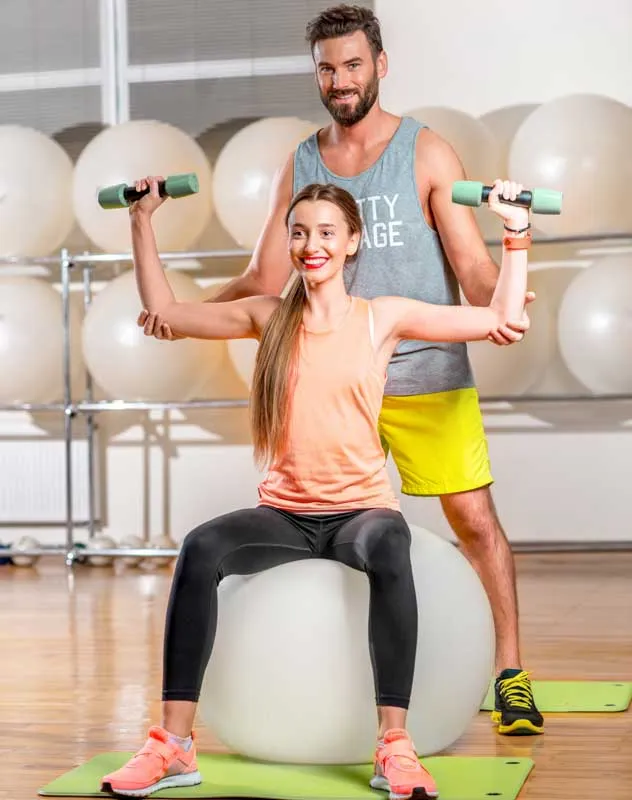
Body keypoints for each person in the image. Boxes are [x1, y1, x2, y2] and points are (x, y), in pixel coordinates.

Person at [138, 5, 543, 737]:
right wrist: (182, 312)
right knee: (317, 528)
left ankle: (510, 674)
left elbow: (473, 265)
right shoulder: (301, 160)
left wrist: (502, 301)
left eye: (353, 65)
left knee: (474, 521)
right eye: (327, 68)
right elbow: (265, 276)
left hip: (422, 368)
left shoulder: (426, 151)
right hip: (332, 376)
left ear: (379, 67)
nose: (340, 80)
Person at [102, 176, 531, 799]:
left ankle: (394, 745)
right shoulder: (267, 316)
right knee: (200, 547)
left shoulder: (382, 318)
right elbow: (165, 313)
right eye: (300, 232)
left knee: (389, 545)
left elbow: (501, 317)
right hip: (285, 514)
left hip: (361, 512)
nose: (312, 245)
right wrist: (141, 219)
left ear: (353, 242)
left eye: (327, 233)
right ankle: (173, 744)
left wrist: (515, 232)